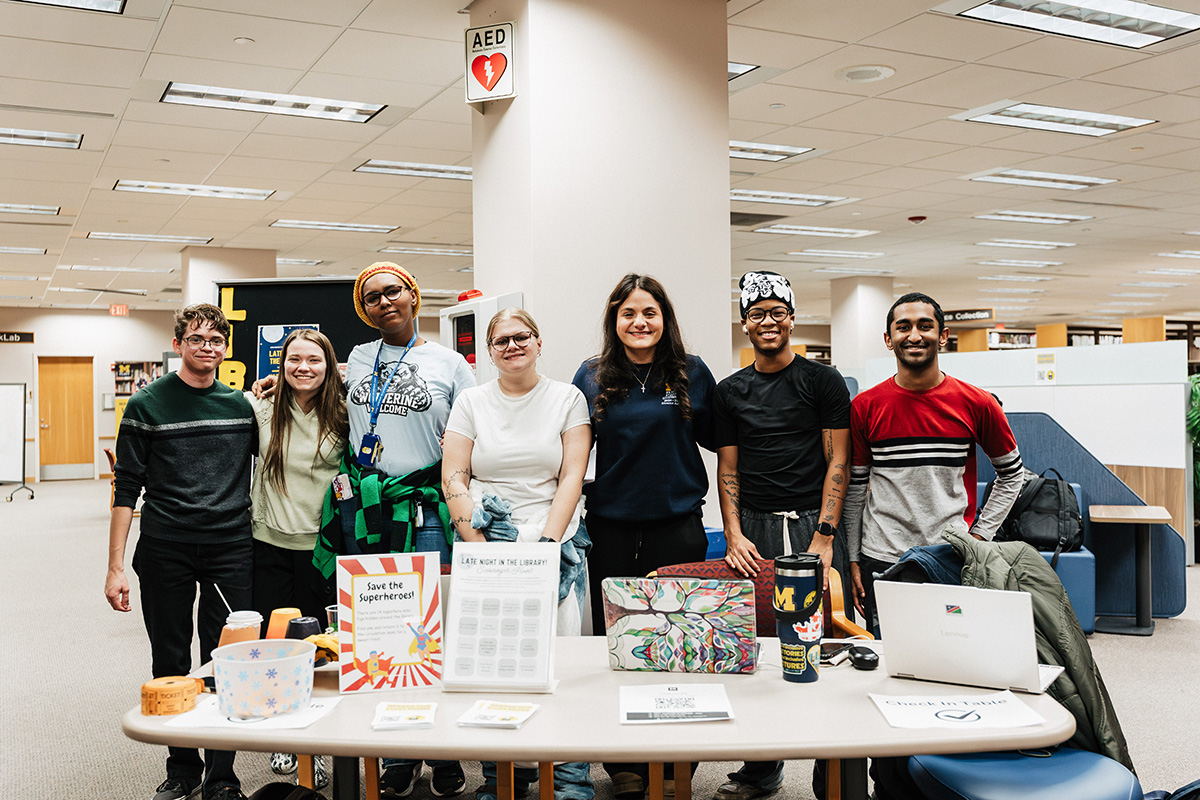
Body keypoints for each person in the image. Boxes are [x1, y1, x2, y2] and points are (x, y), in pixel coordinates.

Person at [316, 262, 473, 800]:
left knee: (428, 631)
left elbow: (470, 435)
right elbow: (316, 388)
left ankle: (443, 753)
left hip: (424, 508)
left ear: (413, 295)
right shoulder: (358, 357)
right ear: (365, 309)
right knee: (381, 631)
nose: (385, 302)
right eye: (373, 297)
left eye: (393, 292)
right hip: (368, 506)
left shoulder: (450, 363)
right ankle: (401, 753)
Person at [571, 273, 716, 800]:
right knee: (618, 646)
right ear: (615, 321)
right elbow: (571, 455)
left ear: (664, 318)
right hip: (610, 528)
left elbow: (728, 445)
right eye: (629, 313)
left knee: (681, 646)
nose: (639, 322)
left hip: (676, 528)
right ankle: (623, 763)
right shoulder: (590, 376)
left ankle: (680, 764)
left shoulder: (692, 374)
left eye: (649, 312)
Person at [104, 303, 256, 800]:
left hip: (230, 546)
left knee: (224, 661)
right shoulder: (146, 404)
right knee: (170, 655)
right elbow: (126, 487)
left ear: (225, 348)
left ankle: (221, 774)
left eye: (216, 339)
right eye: (197, 338)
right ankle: (182, 768)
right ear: (179, 344)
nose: (206, 347)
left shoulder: (240, 407)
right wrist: (115, 568)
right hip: (166, 544)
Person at [442, 308, 593, 800]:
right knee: (495, 663)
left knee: (559, 663)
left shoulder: (568, 398)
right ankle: (504, 775)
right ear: (488, 351)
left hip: (556, 541)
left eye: (521, 337)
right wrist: (480, 551)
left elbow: (572, 475)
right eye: (501, 340)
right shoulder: (470, 401)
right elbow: (455, 478)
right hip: (487, 539)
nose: (512, 346)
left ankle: (569, 775)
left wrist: (548, 548)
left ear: (538, 341)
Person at [712, 270, 852, 800]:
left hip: (809, 527)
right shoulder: (731, 391)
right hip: (754, 530)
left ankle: (830, 768)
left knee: (818, 648)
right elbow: (728, 468)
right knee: (758, 648)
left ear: (791, 317)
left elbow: (837, 458)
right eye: (757, 313)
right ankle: (761, 766)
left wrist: (824, 535)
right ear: (745, 323)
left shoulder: (822, 381)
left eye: (777, 311)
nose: (767, 322)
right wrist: (733, 534)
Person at [842, 291, 1024, 634]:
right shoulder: (865, 406)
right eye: (903, 327)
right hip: (882, 556)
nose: (914, 335)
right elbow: (855, 489)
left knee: (950, 652)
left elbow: (1012, 475)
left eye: (925, 326)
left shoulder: (978, 403)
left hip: (950, 556)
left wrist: (980, 537)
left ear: (943, 336)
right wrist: (853, 557)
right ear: (888, 339)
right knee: (888, 657)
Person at [245, 328, 348, 788]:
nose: (303, 368)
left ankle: (319, 741)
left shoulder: (345, 413)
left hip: (323, 550)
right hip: (268, 545)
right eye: (293, 360)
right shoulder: (261, 408)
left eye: (314, 360)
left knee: (320, 651)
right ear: (279, 366)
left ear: (329, 366)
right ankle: (285, 738)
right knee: (276, 648)